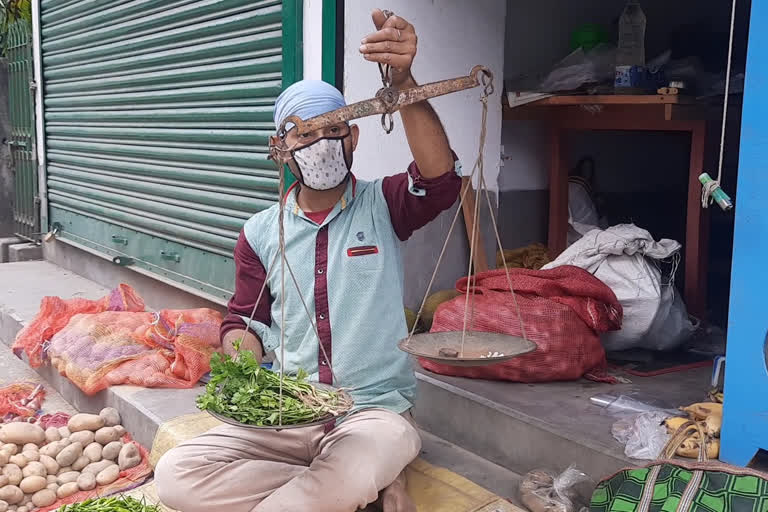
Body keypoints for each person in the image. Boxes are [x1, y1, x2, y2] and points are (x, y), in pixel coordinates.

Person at [155, 9, 461, 512]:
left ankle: (347, 480)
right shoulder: (259, 231)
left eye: (334, 128)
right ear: (281, 149)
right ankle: (359, 487)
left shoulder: (385, 203)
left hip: (372, 414)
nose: (320, 143)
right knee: (176, 476)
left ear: (354, 137)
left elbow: (440, 180)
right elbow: (243, 320)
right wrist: (242, 366)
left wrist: (403, 83)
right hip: (288, 414)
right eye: (302, 134)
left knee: (352, 463)